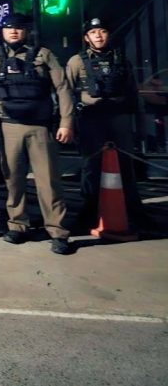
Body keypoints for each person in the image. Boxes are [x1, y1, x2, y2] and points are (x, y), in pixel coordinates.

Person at [0, 13, 75, 255]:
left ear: (26, 31)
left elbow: (63, 87)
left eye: (19, 28)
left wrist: (66, 122)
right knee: (13, 180)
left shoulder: (44, 55)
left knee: (48, 181)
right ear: (2, 31)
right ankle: (17, 225)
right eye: (9, 28)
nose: (14, 31)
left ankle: (57, 231)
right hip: (8, 126)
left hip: (40, 127)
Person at [65, 17, 146, 233]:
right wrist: (67, 123)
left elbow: (133, 92)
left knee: (126, 167)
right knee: (91, 168)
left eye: (102, 31)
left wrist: (140, 123)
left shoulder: (121, 60)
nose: (98, 36)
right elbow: (67, 93)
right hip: (91, 119)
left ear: (108, 35)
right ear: (86, 37)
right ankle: (88, 215)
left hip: (119, 118)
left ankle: (135, 213)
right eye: (93, 32)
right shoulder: (77, 61)